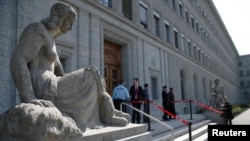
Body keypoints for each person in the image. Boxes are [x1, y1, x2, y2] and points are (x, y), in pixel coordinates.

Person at [10, 2, 129, 132]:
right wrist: (28, 96)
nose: (71, 28)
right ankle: (108, 114)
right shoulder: (37, 30)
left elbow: (63, 75)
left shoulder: (52, 41)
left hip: (54, 84)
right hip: (44, 88)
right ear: (60, 17)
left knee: (93, 74)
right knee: (91, 73)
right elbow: (18, 60)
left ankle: (107, 111)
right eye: (70, 23)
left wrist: (90, 82)